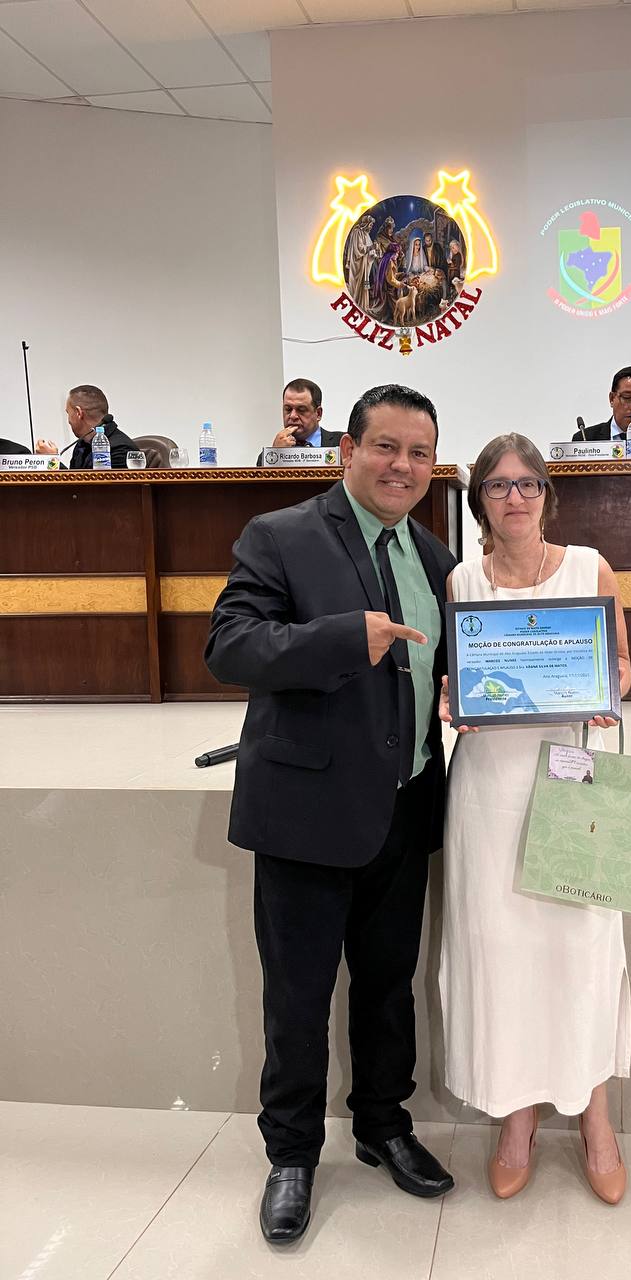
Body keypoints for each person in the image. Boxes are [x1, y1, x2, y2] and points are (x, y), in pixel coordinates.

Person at [205, 384, 457, 1245]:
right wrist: (344, 637)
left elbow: (448, 668)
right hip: (306, 811)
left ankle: (384, 1125)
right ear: (347, 450)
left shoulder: (434, 555)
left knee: (388, 988)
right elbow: (229, 646)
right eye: (386, 447)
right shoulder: (280, 534)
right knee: (298, 996)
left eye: (419, 453)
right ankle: (292, 1155)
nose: (402, 467)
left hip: (405, 806)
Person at [438, 433, 631, 1206]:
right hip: (489, 787)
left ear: (548, 494)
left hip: (572, 779)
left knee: (581, 946)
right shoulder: (462, 579)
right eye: (497, 485)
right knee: (503, 951)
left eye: (527, 484)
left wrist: (608, 692)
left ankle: (595, 1121)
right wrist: (453, 699)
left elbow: (621, 666)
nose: (514, 498)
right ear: (478, 500)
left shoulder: (590, 568)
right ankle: (516, 1118)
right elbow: (457, 679)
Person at [36, 385, 135, 469]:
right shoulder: (82, 444)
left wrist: (52, 461)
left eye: (68, 413)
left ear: (78, 413)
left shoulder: (120, 449)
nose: (69, 421)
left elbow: (92, 485)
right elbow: (75, 479)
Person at [255, 379, 341, 466]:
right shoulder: (266, 458)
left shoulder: (342, 444)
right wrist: (276, 454)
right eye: (288, 409)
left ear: (318, 414)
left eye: (301, 410)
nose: (293, 416)